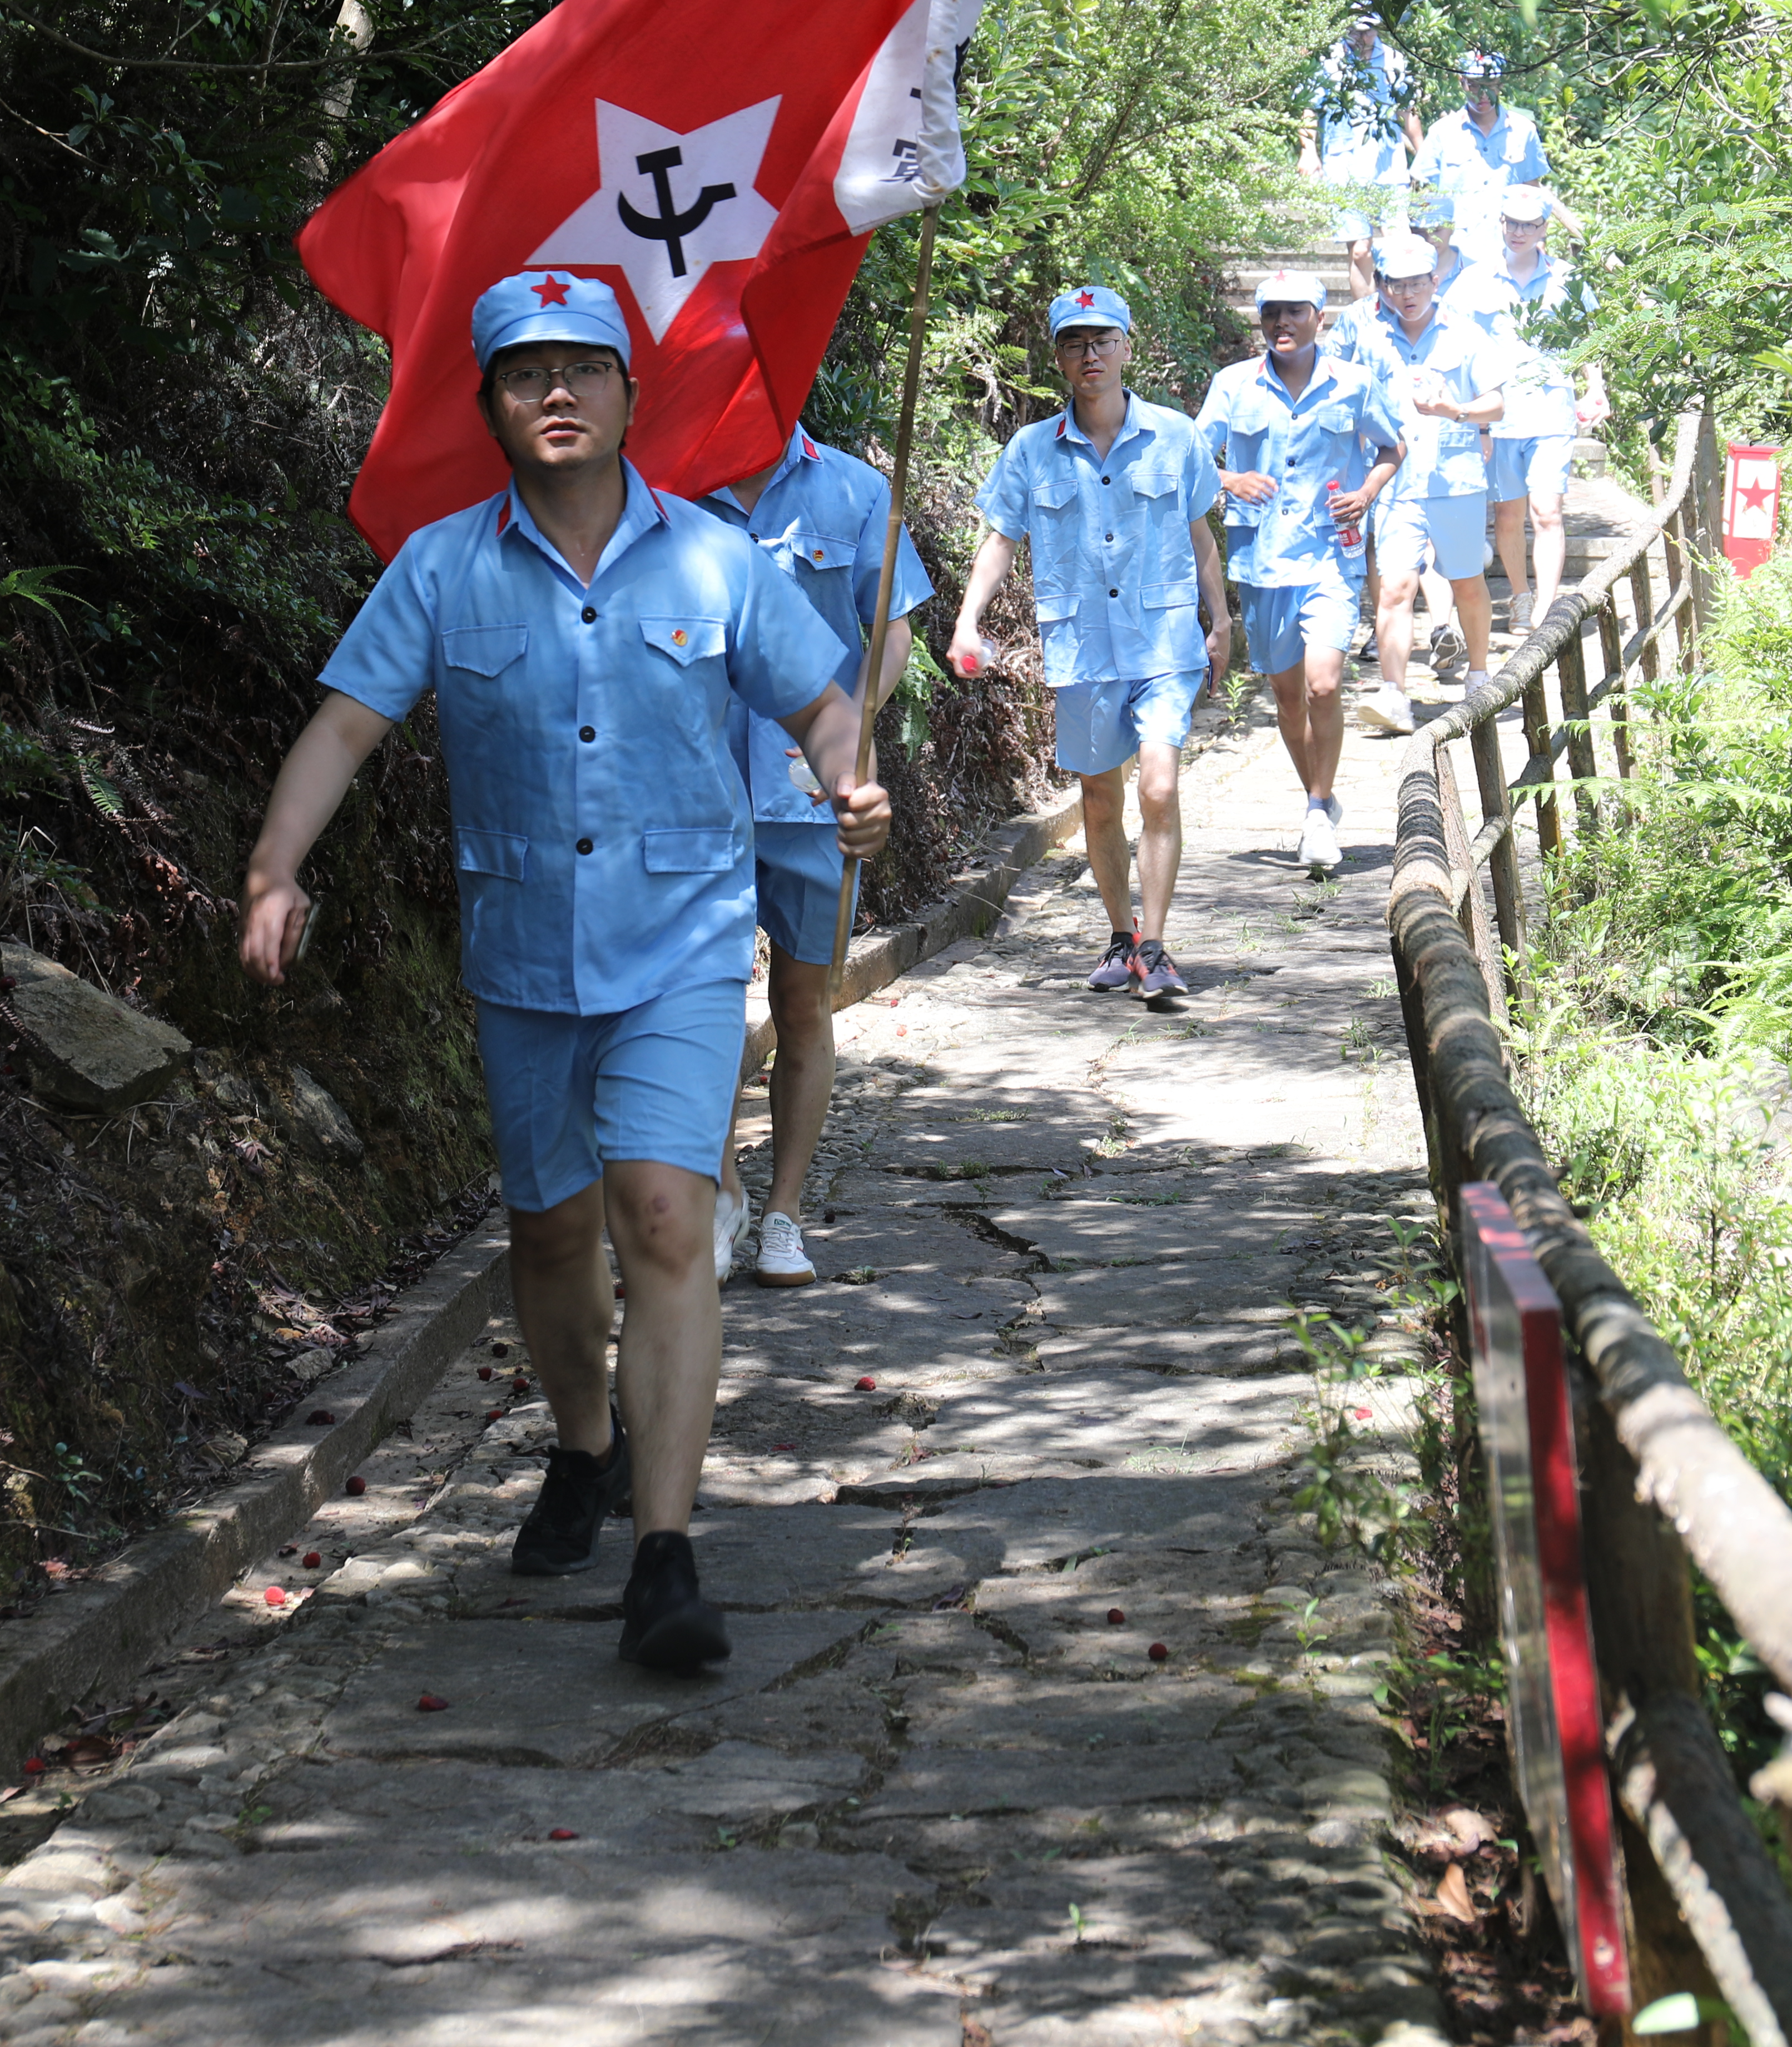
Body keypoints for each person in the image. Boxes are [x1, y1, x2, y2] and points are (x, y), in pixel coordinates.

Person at [237, 269, 889, 1675]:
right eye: (527, 373)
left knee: (660, 1214)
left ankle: (665, 1552)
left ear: (629, 395)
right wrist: (276, 868)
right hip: (525, 955)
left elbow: (825, 702)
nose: (558, 392)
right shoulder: (441, 567)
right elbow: (345, 729)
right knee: (548, 1235)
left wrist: (854, 781)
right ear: (487, 406)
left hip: (686, 946)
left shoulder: (718, 561)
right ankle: (583, 1449)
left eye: (585, 367)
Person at [697, 425, 930, 1291]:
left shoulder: (858, 491)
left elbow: (891, 627)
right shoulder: (671, 482)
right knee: (705, 1006)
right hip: (697, 797)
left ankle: (784, 1213)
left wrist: (854, 727)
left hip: (810, 795)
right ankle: (718, 1199)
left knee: (802, 1002)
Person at [950, 285, 1232, 994]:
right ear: (1059, 359)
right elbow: (1000, 540)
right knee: (1101, 802)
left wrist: (1220, 618)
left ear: (1128, 346)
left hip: (1164, 641)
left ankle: (1159, 948)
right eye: (1075, 343)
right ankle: (1122, 935)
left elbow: (1201, 536)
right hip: (1082, 648)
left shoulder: (1177, 436)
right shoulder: (1030, 450)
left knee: (1160, 788)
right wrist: (966, 617)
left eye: (1103, 339)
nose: (1091, 354)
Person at [1197, 275, 1401, 875]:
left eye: (1294, 313)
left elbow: (1392, 449)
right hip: (1261, 560)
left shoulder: (1354, 384)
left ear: (1320, 317)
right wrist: (1230, 481)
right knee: (1287, 699)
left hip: (1330, 558)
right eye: (1271, 315)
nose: (1281, 324)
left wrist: (1366, 491)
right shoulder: (1233, 386)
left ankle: (1316, 811)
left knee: (1322, 684)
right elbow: (1188, 459)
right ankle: (1321, 796)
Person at [1351, 234, 1503, 734]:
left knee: (1466, 582)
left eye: (1418, 282)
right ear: (1384, 288)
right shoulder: (1371, 338)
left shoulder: (1465, 334)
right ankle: (1393, 694)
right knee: (1395, 587)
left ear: (1436, 281)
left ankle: (1479, 679)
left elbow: (1497, 403)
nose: (1409, 293)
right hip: (1396, 482)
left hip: (1456, 480)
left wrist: (1453, 410)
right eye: (1398, 284)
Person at [1455, 185, 1593, 630]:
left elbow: (1591, 338)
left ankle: (1547, 610)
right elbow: (1452, 343)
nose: (1518, 232)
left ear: (1544, 229)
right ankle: (1521, 597)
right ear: (1501, 224)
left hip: (1552, 408)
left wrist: (1597, 387)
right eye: (1510, 223)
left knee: (1548, 511)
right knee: (1508, 515)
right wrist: (1471, 419)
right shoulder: (1474, 280)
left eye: (1528, 225)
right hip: (1499, 415)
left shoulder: (1568, 279)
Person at [1298, 7, 1419, 232]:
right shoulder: (1329, 61)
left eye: (1368, 31)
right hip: (1344, 165)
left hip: (1389, 164)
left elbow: (1407, 111)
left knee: (1398, 237)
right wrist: (1308, 152)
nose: (1362, 38)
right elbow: (1309, 107)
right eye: (1356, 31)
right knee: (1359, 246)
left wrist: (1423, 157)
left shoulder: (1394, 60)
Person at [1414, 48, 1550, 218]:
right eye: (1475, 85)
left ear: (1500, 85)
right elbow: (1424, 192)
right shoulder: (1441, 132)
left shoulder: (1524, 131)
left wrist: (1539, 237)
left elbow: (1531, 191)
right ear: (1462, 82)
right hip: (1454, 240)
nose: (1483, 94)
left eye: (1490, 85)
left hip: (1508, 239)